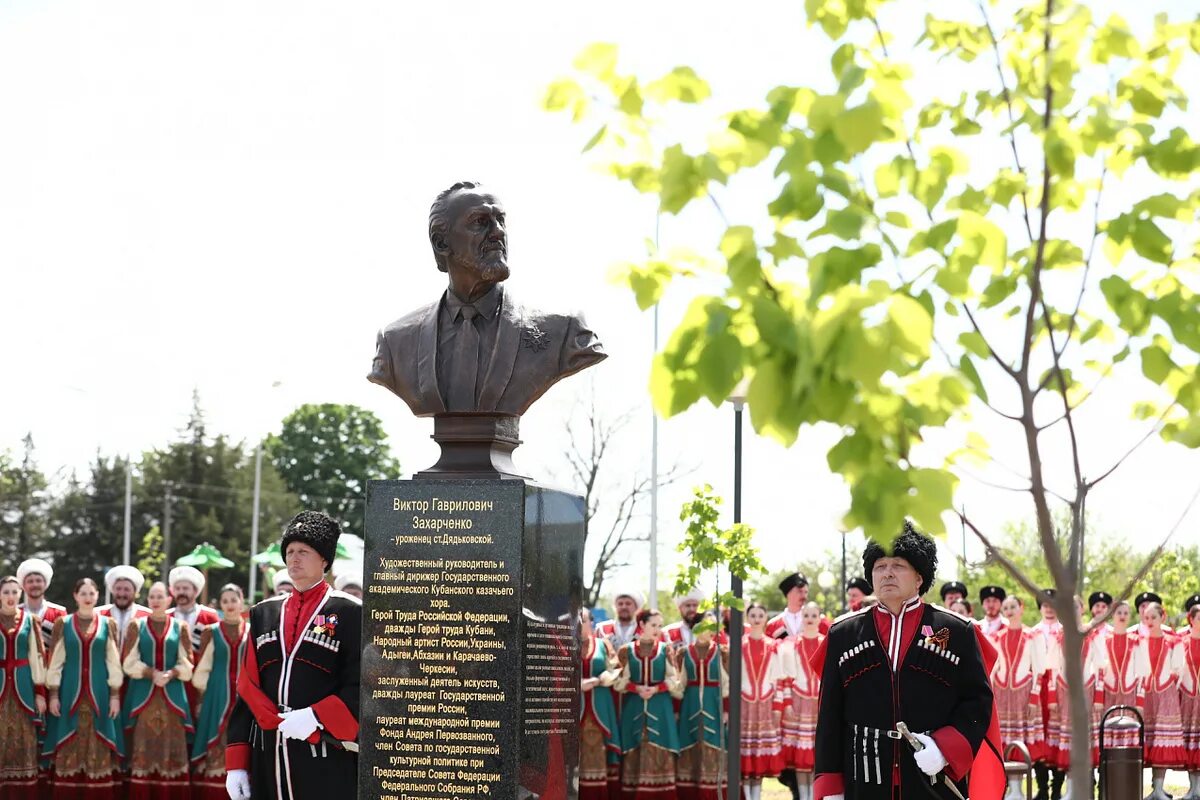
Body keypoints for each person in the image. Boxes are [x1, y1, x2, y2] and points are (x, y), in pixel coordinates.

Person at [367, 181, 606, 416]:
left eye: (500, 220)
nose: (498, 232)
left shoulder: (565, 333)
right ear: (441, 243)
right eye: (480, 223)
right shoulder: (395, 343)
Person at [813, 521, 1001, 800]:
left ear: (919, 577)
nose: (887, 573)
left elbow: (978, 701)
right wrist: (830, 786)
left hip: (933, 778)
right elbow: (829, 715)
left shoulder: (957, 631)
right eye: (880, 566)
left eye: (898, 565)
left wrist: (944, 748)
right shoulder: (842, 634)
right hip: (864, 779)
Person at [225, 511, 362, 800]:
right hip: (267, 754)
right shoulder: (264, 613)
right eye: (289, 552)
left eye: (303, 551)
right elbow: (247, 689)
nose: (293, 559)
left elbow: (362, 685)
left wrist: (317, 716)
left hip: (325, 753)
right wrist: (236, 764)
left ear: (324, 560)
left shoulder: (350, 612)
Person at [43, 577, 124, 800]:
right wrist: (53, 694)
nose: (88, 597)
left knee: (98, 740)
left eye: (91, 593)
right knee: (70, 739)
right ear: (75, 596)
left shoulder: (108, 624)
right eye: (83, 593)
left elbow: (113, 661)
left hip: (100, 692)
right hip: (70, 692)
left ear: (97, 596)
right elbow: (56, 661)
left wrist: (115, 695)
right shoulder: (64, 623)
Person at [120, 581, 194, 800]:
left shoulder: (180, 627)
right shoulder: (137, 626)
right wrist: (151, 673)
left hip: (172, 697)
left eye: (160, 597)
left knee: (171, 745)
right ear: (147, 600)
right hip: (144, 696)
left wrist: (170, 674)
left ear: (169, 600)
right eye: (152, 597)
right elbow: (128, 662)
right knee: (143, 745)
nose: (156, 601)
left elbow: (188, 663)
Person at [190, 584, 249, 800]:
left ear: (242, 601)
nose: (230, 605)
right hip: (217, 694)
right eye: (225, 601)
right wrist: (201, 700)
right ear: (220, 605)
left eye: (234, 600)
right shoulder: (211, 632)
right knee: (215, 740)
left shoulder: (252, 631)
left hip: (246, 696)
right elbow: (203, 667)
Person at [615, 608, 681, 800]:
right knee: (634, 750)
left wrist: (656, 689)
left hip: (661, 708)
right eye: (653, 625)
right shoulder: (627, 650)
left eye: (660, 626)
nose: (657, 629)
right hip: (634, 708)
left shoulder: (665, 649)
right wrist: (636, 688)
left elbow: (674, 680)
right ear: (642, 625)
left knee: (660, 748)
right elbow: (619, 682)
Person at [989, 595, 1045, 800]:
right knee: (1005, 741)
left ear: (1021, 608)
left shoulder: (1033, 636)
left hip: (1023, 692)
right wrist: (992, 696)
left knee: (1021, 740)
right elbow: (994, 670)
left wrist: (1034, 696)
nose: (1009, 610)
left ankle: (1019, 789)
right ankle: (1012, 789)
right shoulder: (997, 637)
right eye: (1006, 607)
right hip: (1003, 694)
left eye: (1013, 606)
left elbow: (1039, 669)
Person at [0, 575, 47, 800]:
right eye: (6, 592)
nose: (10, 597)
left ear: (20, 594)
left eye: (14, 592)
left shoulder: (30, 621)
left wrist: (39, 692)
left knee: (24, 738)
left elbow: (37, 657)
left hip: (24, 689)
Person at [674, 612, 727, 800]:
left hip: (714, 705)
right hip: (690, 704)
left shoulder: (722, 652)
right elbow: (680, 683)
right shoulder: (684, 653)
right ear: (697, 628)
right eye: (707, 625)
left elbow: (727, 684)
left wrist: (726, 709)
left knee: (714, 746)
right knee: (691, 745)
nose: (711, 630)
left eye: (714, 626)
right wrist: (676, 709)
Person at [1138, 602, 1184, 800]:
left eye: (1153, 617)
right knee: (1144, 739)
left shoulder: (1173, 640)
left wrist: (1166, 680)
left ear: (1162, 618)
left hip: (1165, 694)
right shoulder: (1138, 640)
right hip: (1144, 694)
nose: (1149, 622)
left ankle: (1158, 788)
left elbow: (1179, 668)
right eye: (1146, 618)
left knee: (1161, 740)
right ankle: (1143, 788)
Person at [740, 601, 786, 800]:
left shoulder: (773, 646)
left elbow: (779, 678)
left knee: (759, 753)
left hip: (765, 704)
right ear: (747, 619)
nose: (757, 619)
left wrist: (777, 706)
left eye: (760, 615)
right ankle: (746, 795)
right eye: (753, 616)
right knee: (745, 752)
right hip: (744, 704)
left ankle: (756, 796)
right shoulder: (738, 644)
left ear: (766, 618)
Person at [779, 601, 824, 800]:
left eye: (814, 616)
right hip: (799, 700)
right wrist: (787, 702)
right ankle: (802, 796)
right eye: (806, 616)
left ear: (820, 618)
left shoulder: (826, 641)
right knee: (800, 755)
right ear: (801, 618)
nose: (810, 620)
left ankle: (814, 795)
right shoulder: (791, 643)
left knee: (817, 753)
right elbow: (786, 675)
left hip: (819, 703)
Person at [579, 607, 622, 800]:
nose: (580, 623)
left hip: (600, 710)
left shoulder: (603, 645)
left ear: (591, 623)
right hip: (575, 709)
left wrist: (596, 680)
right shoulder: (567, 645)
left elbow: (615, 669)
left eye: (584, 619)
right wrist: (577, 684)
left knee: (597, 753)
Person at [1172, 598, 1200, 800]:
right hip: (1188, 697)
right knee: (1191, 743)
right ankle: (1193, 788)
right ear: (1191, 619)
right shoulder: (1181, 640)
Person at [97, 565, 151, 650]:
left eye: (126, 589)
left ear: (135, 592)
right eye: (118, 589)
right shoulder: (98, 614)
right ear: (112, 590)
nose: (122, 594)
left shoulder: (147, 616)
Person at [167, 567, 219, 653]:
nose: (181, 592)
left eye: (185, 588)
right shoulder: (166, 617)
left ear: (195, 591)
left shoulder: (209, 616)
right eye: (177, 588)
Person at [18, 558, 67, 646]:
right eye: (30, 581)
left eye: (38, 580)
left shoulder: (58, 612)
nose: (35, 584)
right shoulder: (16, 612)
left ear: (45, 584)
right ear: (24, 585)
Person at [767, 573, 830, 640]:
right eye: (799, 591)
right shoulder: (773, 625)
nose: (804, 596)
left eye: (806, 592)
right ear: (788, 594)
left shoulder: (819, 620)